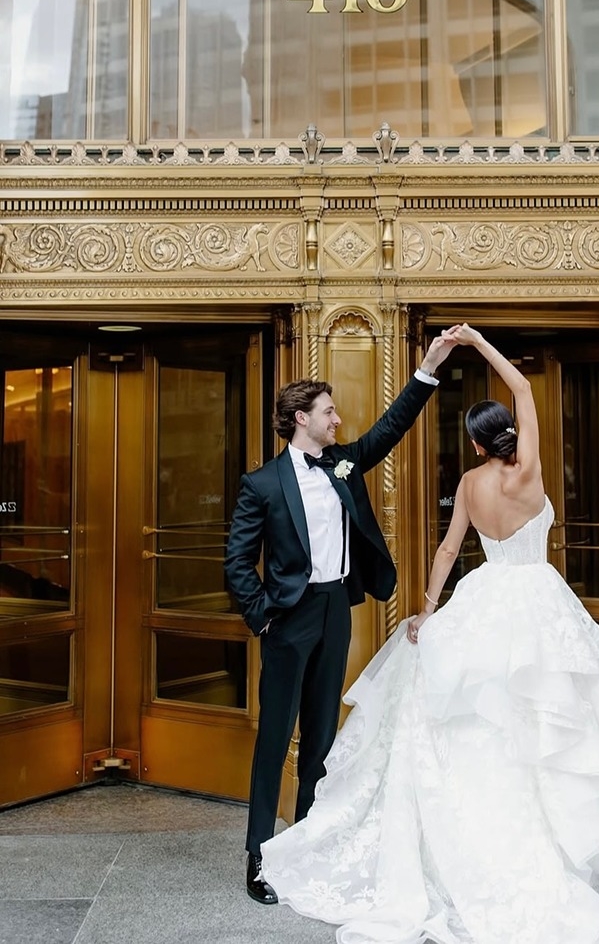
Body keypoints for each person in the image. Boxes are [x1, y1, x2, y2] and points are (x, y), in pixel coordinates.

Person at [260, 324, 599, 944]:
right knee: (547, 718)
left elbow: (446, 549)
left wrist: (430, 609)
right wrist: (480, 344)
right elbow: (522, 388)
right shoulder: (530, 474)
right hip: (537, 600)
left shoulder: (469, 484)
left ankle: (475, 832)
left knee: (476, 722)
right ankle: (558, 842)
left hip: (484, 599)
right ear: (510, 435)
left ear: (474, 443)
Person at [224, 330, 458, 905]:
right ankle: (260, 858)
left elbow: (390, 427)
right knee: (275, 738)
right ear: (301, 417)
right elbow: (235, 562)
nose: (338, 419)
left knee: (322, 738)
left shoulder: (343, 464)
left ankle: (306, 844)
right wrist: (264, 619)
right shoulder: (262, 485)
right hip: (288, 619)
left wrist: (428, 366)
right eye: (328, 411)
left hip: (336, 610)